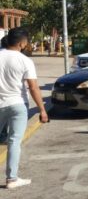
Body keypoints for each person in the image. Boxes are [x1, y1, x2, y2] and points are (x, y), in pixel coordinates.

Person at [0, 28, 49, 189]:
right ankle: (11, 179)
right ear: (22, 43)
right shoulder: (25, 60)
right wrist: (42, 110)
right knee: (14, 142)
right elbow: (33, 87)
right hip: (18, 105)